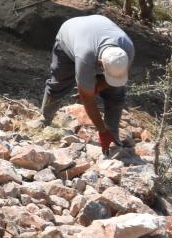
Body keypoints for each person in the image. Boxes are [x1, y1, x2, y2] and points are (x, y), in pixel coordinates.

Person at [41, 14, 134, 152]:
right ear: (100, 64)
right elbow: (88, 100)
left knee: (116, 94)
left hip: (97, 27)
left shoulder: (127, 49)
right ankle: (45, 120)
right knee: (59, 84)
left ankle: (113, 137)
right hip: (70, 33)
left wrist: (95, 88)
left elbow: (116, 80)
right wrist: (102, 131)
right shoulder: (85, 56)